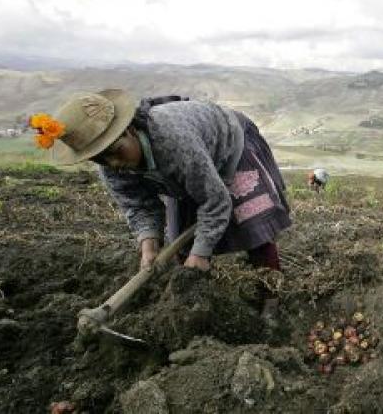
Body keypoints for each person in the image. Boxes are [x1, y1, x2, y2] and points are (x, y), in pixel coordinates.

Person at [28, 90, 291, 318]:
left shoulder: (173, 141)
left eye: (116, 152)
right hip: (185, 171)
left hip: (231, 148)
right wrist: (149, 245)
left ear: (130, 130)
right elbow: (139, 205)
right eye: (101, 160)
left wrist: (202, 254)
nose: (114, 164)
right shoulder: (111, 166)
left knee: (253, 229)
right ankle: (203, 304)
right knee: (183, 249)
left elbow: (214, 200)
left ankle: (271, 296)